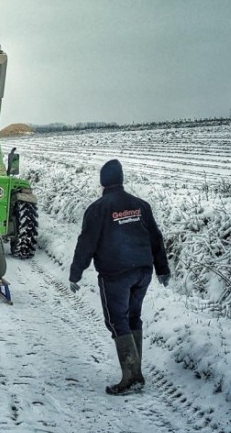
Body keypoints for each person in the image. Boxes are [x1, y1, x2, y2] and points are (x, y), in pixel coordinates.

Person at [68, 159, 170, 396]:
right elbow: (156, 238)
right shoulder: (141, 205)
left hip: (116, 274)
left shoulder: (98, 209)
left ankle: (132, 377)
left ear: (103, 181)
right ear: (121, 179)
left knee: (116, 321)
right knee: (133, 316)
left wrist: (76, 273)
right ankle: (135, 373)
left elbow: (86, 244)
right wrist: (162, 269)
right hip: (143, 271)